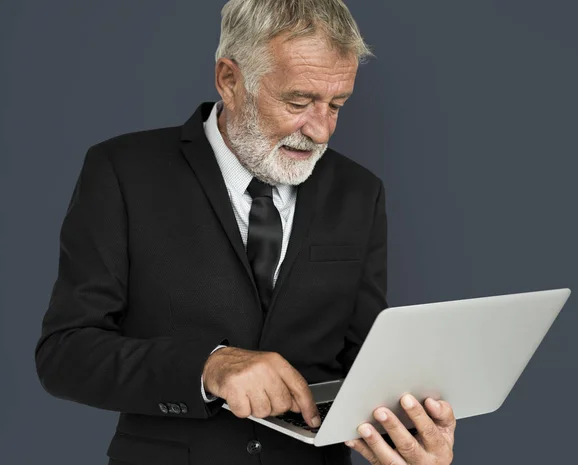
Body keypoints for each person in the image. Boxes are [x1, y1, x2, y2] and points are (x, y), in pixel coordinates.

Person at [34, 1, 456, 464]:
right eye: (298, 102)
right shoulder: (122, 171)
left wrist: (411, 439)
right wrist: (208, 365)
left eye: (337, 105)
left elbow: (364, 367)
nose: (320, 131)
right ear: (229, 81)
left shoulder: (360, 192)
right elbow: (65, 354)